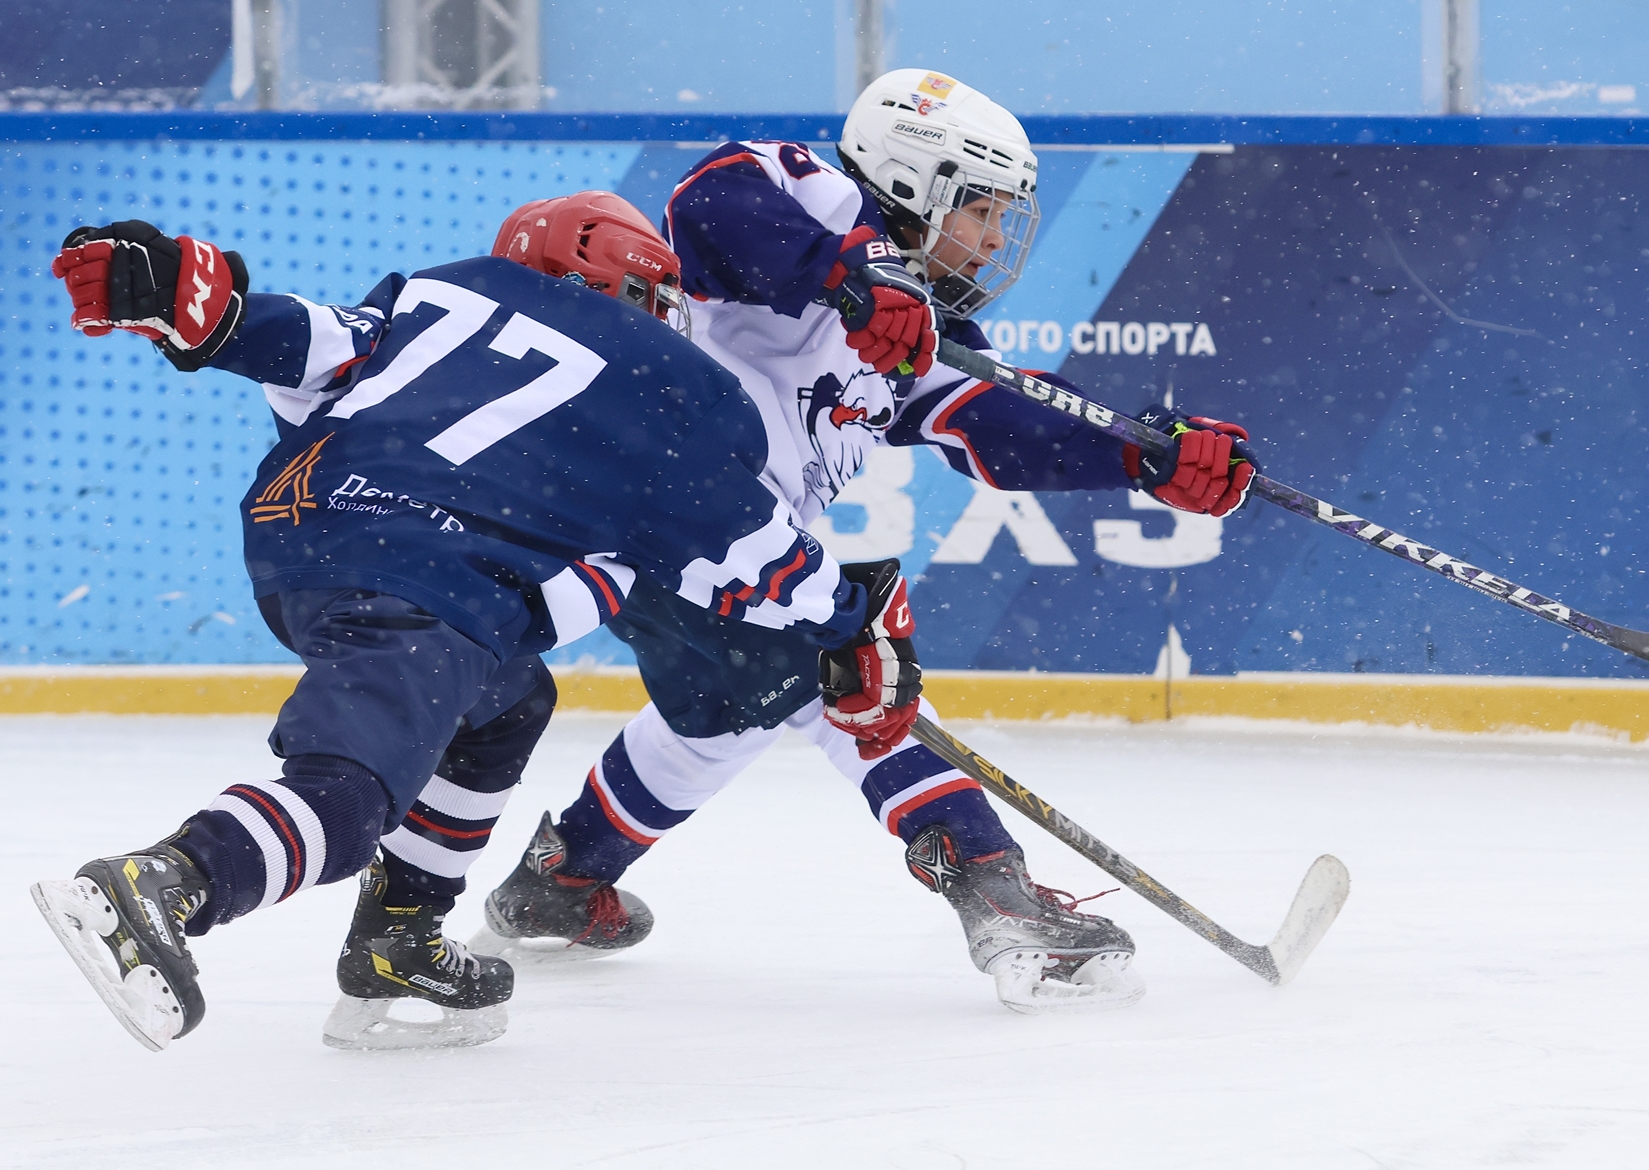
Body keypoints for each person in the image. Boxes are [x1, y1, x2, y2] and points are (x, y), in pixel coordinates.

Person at [425, 69, 1261, 1020]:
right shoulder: (817, 202)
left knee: (721, 718)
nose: (996, 238)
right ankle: (997, 892)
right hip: (672, 507)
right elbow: (713, 199)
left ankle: (562, 877)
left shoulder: (915, 328)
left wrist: (1144, 453)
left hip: (716, 544)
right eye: (983, 210)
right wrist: (849, 273)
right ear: (915, 182)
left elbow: (1000, 422)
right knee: (853, 686)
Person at [30, 195, 921, 1052]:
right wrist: (852, 619)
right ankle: (165, 883)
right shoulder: (663, 378)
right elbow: (751, 550)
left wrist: (189, 301)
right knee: (345, 797)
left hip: (304, 533)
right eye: (655, 298)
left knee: (507, 702)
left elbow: (302, 343)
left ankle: (400, 934)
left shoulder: (441, 294)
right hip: (428, 580)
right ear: (626, 284)